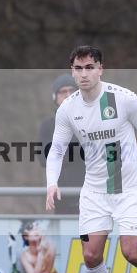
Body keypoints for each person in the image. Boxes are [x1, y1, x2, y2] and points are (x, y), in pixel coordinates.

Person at [45, 44, 137, 273]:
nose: (84, 73)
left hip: (130, 188)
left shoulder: (124, 99)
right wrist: (51, 183)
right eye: (79, 68)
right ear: (72, 72)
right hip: (95, 191)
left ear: (101, 69)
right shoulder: (68, 109)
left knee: (132, 252)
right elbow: (57, 150)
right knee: (90, 255)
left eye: (90, 67)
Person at [39, 74, 85, 214]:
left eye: (72, 91)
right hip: (62, 198)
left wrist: (60, 153)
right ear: (55, 97)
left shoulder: (92, 121)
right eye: (62, 92)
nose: (68, 95)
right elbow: (44, 158)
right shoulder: (47, 126)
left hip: (92, 196)